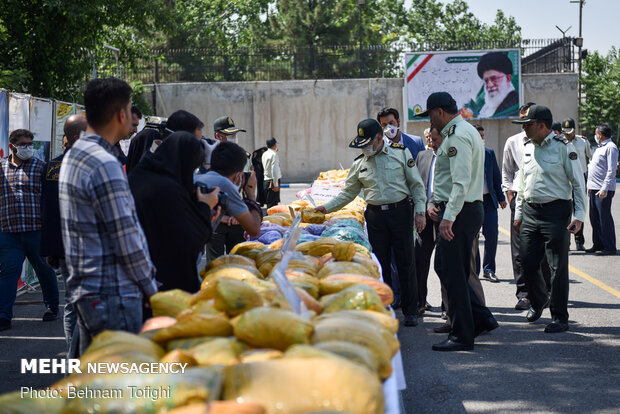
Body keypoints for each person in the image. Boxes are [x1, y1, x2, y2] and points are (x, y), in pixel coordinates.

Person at [59, 78, 158, 354]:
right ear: (121, 114)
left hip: (88, 292)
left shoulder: (75, 153)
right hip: (113, 295)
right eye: (129, 109)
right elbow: (126, 240)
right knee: (120, 389)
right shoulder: (104, 163)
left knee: (97, 388)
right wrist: (152, 290)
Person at [315, 119, 427, 327]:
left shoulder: (400, 153)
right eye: (361, 146)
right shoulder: (359, 163)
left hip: (401, 212)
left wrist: (420, 212)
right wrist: (326, 208)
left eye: (367, 144)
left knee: (406, 262)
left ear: (378, 138)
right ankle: (384, 305)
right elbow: (348, 193)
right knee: (380, 264)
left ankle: (411, 310)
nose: (365, 149)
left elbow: (416, 186)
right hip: (375, 217)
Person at [417, 92, 497, 351]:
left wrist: (447, 218)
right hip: (462, 210)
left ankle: (463, 335)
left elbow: (460, 183)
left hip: (459, 211)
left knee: (452, 270)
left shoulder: (457, 136)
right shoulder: (462, 131)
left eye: (430, 115)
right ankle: (481, 319)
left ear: (440, 111)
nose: (431, 121)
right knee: (447, 267)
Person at [513, 104, 586, 333]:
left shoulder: (564, 147)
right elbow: (522, 184)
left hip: (556, 213)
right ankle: (539, 300)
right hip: (531, 212)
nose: (524, 128)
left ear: (542, 125)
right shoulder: (527, 148)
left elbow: (577, 183)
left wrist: (580, 215)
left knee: (557, 267)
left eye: (528, 124)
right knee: (526, 261)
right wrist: (519, 212)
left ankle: (559, 318)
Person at [129, 132, 220, 293]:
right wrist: (205, 208)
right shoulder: (167, 190)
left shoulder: (140, 175)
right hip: (165, 285)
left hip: (138, 278)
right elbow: (189, 241)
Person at [0, 129, 60, 331]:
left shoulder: (41, 168)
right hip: (9, 232)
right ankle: (3, 316)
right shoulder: (1, 169)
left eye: (30, 145)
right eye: (23, 145)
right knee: (8, 272)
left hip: (36, 231)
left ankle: (52, 306)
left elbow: (50, 199)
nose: (28, 149)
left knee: (44, 270)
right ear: (12, 146)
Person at [40, 114, 86, 355]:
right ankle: (77, 356)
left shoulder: (50, 168)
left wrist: (50, 248)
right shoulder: (88, 165)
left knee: (71, 302)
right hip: (84, 246)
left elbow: (47, 208)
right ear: (79, 137)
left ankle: (72, 354)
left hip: (61, 246)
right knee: (85, 303)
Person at [502, 102, 551, 311]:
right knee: (519, 252)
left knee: (544, 252)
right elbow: (507, 171)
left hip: (545, 202)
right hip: (520, 201)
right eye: (522, 118)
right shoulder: (513, 142)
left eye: (527, 120)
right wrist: (510, 195)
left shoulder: (549, 143)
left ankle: (545, 292)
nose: (524, 124)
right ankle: (524, 294)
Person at [195, 142, 262, 247]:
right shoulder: (223, 183)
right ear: (238, 175)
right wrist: (251, 194)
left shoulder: (196, 178)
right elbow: (254, 229)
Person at [473, 124, 507, 283]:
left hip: (488, 201)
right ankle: (475, 270)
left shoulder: (489, 153)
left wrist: (501, 198)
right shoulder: (466, 153)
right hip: (472, 202)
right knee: (473, 237)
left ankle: (489, 269)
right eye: (478, 136)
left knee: (492, 234)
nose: (481, 139)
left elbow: (496, 177)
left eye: (482, 136)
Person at [414, 127, 439, 315]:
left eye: (434, 137)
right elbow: (416, 185)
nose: (431, 140)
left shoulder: (451, 156)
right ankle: (420, 302)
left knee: (445, 264)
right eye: (429, 137)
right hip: (424, 216)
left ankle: (448, 307)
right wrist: (419, 211)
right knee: (420, 261)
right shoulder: (422, 156)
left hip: (446, 216)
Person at [586, 124, 618, 255]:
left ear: (601, 134)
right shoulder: (600, 148)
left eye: (596, 133)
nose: (595, 135)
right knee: (594, 218)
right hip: (594, 188)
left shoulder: (611, 148)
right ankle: (598, 244)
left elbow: (611, 170)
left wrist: (604, 188)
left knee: (604, 218)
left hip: (603, 189)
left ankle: (609, 247)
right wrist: (589, 187)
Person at [561, 118, 593, 251]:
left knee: (579, 208)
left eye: (570, 132)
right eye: (565, 132)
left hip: (581, 179)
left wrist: (590, 179)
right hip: (566, 179)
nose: (568, 135)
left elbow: (591, 158)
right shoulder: (560, 142)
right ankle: (566, 241)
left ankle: (579, 240)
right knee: (566, 210)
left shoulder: (583, 141)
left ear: (575, 130)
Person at [466, 52, 519, 118]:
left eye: (494, 79)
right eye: (486, 80)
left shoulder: (515, 104)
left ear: (508, 78)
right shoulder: (488, 105)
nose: (490, 85)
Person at [262, 137, 282, 208]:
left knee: (269, 204)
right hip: (273, 181)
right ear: (274, 145)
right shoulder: (274, 155)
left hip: (266, 181)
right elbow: (274, 170)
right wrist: (276, 184)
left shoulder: (265, 154)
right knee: (273, 206)